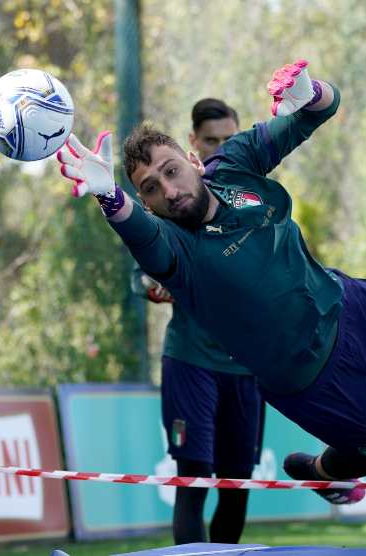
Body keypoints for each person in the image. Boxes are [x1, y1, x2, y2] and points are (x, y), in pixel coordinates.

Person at [57, 59, 366, 506]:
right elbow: (140, 236)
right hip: (309, 377)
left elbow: (320, 110)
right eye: (151, 189)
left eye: (171, 171)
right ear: (147, 202)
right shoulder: (174, 248)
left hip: (349, 306)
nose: (169, 189)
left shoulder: (232, 165)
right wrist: (110, 198)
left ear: (192, 162)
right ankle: (321, 471)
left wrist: (311, 94)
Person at [131, 98, 265, 544]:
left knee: (236, 489)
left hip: (248, 368)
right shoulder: (168, 203)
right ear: (194, 144)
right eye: (212, 141)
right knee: (193, 482)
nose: (221, 148)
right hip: (192, 364)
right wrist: (154, 283)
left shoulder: (252, 198)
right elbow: (145, 274)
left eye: (230, 140)